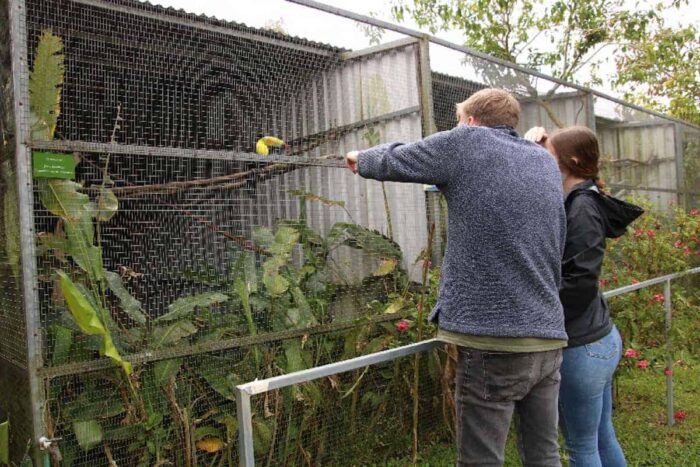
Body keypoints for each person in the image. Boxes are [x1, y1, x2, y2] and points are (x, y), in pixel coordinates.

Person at [346, 88, 567, 467]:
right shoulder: (544, 162)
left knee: (480, 460)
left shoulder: (467, 141)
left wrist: (359, 158)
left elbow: (398, 158)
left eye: (458, 120)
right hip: (547, 337)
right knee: (543, 454)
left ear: (470, 120)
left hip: (494, 340)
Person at [525, 125, 643, 467]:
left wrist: (540, 318)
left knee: (582, 448)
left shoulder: (582, 209)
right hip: (598, 341)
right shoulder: (579, 200)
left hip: (582, 348)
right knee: (601, 436)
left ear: (571, 161)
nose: (544, 163)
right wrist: (534, 145)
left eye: (549, 157)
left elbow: (579, 283)